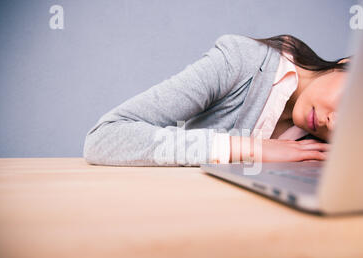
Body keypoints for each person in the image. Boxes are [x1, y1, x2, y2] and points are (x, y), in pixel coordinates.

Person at [83, 34, 349, 166]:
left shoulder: (320, 147)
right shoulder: (240, 61)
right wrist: (250, 149)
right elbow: (103, 138)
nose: (335, 125)